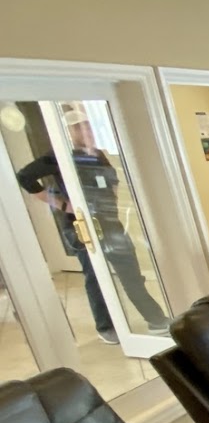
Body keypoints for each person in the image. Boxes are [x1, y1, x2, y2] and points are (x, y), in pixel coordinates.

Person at [14, 108, 168, 342]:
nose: (84, 130)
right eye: (78, 127)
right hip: (82, 226)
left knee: (131, 272)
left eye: (87, 125)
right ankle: (105, 326)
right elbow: (25, 176)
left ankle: (155, 319)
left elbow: (112, 181)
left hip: (109, 222)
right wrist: (62, 204)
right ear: (69, 131)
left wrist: (111, 203)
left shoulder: (98, 154)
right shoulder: (59, 156)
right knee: (95, 276)